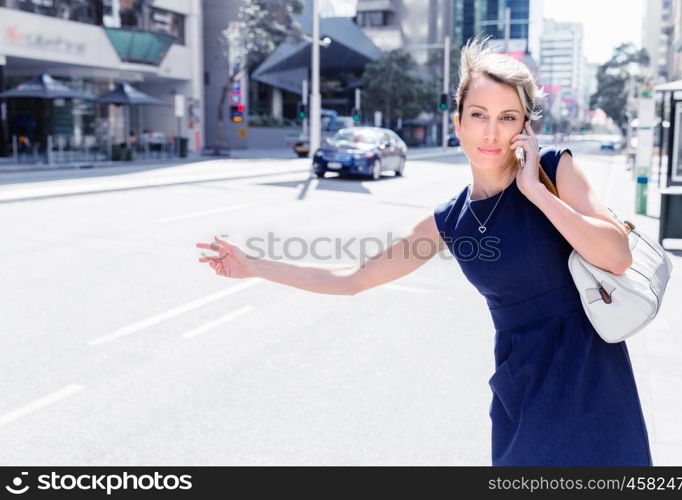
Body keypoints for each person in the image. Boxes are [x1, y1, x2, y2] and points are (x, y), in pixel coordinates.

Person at [195, 36, 652, 466]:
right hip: (524, 392)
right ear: (457, 122)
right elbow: (352, 279)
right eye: (478, 115)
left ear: (525, 126)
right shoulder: (448, 221)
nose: (491, 132)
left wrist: (535, 192)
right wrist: (254, 265)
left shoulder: (554, 169)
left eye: (507, 117)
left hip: (595, 381)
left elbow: (617, 256)